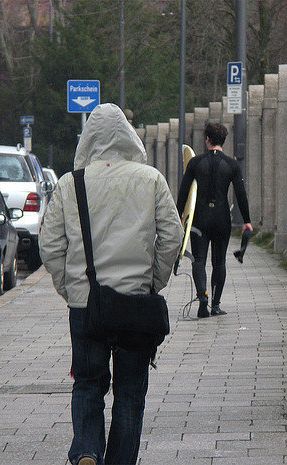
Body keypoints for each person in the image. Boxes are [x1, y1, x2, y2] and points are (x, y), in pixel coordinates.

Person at [39, 103, 183, 465]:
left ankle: (87, 450)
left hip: (86, 305)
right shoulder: (150, 179)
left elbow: (50, 245)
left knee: (88, 383)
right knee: (131, 394)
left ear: (88, 140)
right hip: (135, 303)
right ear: (129, 137)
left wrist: (70, 286)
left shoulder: (71, 184)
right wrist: (154, 280)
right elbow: (172, 236)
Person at [176, 122, 252, 318]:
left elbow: (184, 192)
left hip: (199, 220)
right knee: (219, 262)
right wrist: (247, 220)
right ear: (224, 141)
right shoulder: (232, 165)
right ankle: (216, 305)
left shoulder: (194, 163)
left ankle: (202, 297)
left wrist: (180, 216)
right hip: (221, 219)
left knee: (199, 259)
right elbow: (241, 194)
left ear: (207, 139)